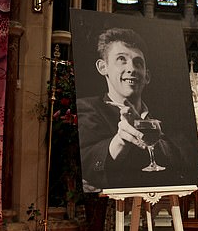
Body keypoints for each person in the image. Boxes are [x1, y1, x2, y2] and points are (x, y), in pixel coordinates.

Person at [77, 28, 185, 190]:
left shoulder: (169, 118)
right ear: (102, 67)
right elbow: (85, 162)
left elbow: (182, 167)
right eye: (122, 59)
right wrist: (120, 141)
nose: (132, 69)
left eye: (138, 62)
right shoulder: (86, 108)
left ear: (147, 76)